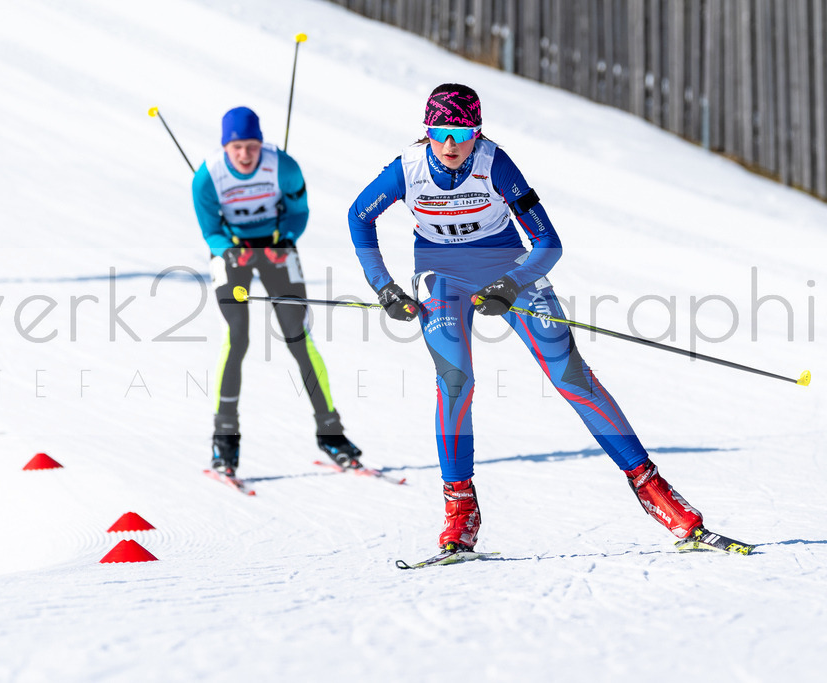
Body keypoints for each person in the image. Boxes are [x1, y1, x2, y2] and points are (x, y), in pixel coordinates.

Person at [348, 83, 740, 554]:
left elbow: (549, 244)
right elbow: (358, 216)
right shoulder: (406, 171)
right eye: (438, 132)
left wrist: (512, 285)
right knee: (455, 381)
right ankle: (460, 513)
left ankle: (659, 496)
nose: (450, 145)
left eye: (460, 132)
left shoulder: (496, 164)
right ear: (426, 132)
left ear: (477, 132)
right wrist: (384, 287)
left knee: (571, 376)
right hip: (441, 277)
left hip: (510, 270)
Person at [193, 106, 362, 476]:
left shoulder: (283, 166)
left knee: (298, 336)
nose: (245, 154)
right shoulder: (207, 177)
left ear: (261, 143)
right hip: (232, 251)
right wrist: (229, 250)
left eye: (251, 145)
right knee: (237, 336)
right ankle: (224, 439)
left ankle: (331, 433)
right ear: (225, 147)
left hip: (276, 247)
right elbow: (210, 230)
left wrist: (284, 238)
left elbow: (299, 212)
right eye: (236, 146)